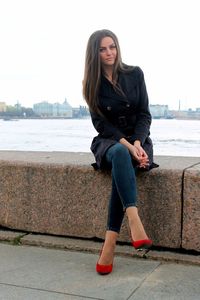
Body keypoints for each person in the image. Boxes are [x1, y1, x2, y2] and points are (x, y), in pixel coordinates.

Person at [82, 29, 158, 275]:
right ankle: (134, 220)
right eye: (102, 49)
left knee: (122, 164)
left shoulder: (135, 74)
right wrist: (127, 145)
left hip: (139, 140)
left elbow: (145, 114)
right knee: (120, 154)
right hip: (109, 141)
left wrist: (137, 143)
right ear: (95, 53)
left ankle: (110, 243)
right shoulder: (91, 83)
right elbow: (101, 124)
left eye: (112, 46)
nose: (109, 53)